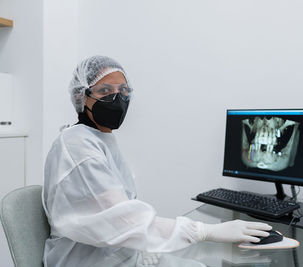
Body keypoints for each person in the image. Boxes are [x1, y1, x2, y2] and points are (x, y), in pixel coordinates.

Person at [42, 55, 272, 267]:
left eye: (123, 90)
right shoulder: (78, 146)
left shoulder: (99, 139)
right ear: (81, 96)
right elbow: (121, 218)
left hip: (113, 252)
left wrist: (141, 244)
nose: (117, 98)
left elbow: (121, 212)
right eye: (105, 91)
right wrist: (204, 231)